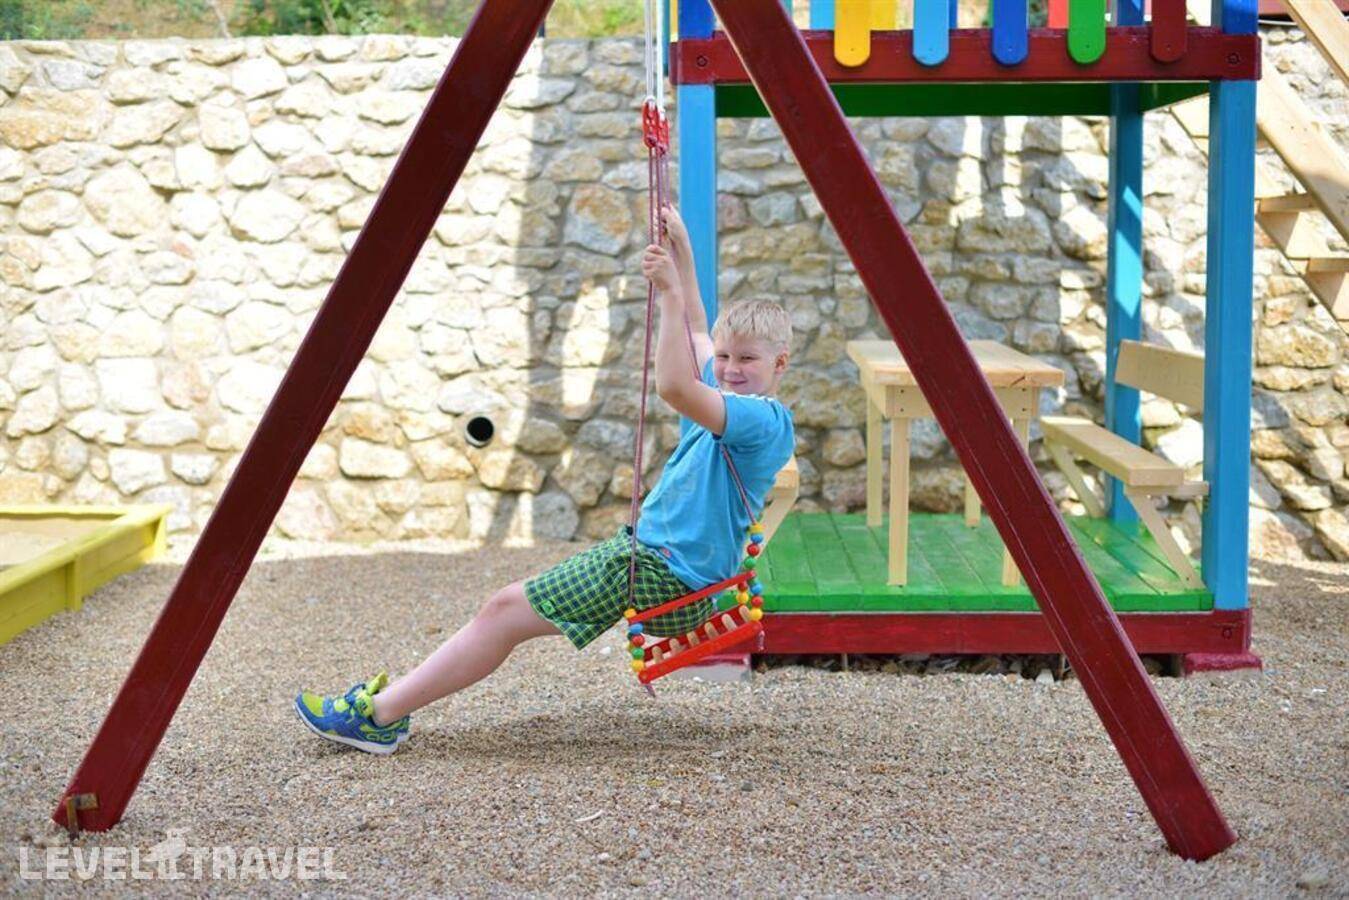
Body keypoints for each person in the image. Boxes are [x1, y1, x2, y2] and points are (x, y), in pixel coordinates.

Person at [294, 206, 795, 754]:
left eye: (748, 358)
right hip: (658, 563)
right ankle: (385, 712)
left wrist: (670, 293)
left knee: (504, 610)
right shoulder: (729, 397)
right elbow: (698, 330)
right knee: (503, 611)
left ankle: (378, 717)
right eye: (725, 356)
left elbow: (675, 387)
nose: (730, 368)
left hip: (668, 576)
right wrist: (685, 257)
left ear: (780, 364)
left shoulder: (761, 420)